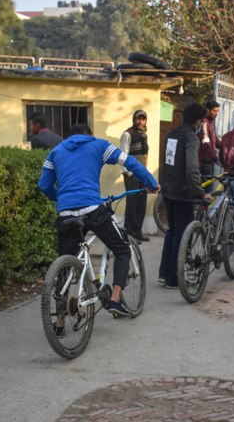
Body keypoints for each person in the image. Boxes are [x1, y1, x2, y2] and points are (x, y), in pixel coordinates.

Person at [38, 120, 159, 319]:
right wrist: (151, 183)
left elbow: (44, 185)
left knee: (65, 265)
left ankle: (58, 322)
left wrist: (62, 199)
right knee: (122, 249)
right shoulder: (98, 145)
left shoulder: (56, 151)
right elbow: (129, 161)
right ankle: (115, 300)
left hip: (66, 213)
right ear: (89, 134)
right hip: (92, 210)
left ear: (69, 136)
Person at [158, 103, 211, 289]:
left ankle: (164, 274)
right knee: (181, 235)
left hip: (168, 190)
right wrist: (200, 193)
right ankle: (174, 278)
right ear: (197, 122)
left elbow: (167, 162)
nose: (201, 125)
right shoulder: (191, 138)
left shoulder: (171, 134)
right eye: (201, 122)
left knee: (172, 232)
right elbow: (191, 169)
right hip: (183, 193)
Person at [120, 110, 150, 243]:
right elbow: (123, 156)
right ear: (134, 119)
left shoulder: (144, 135)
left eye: (143, 119)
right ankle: (130, 235)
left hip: (142, 175)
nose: (140, 122)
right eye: (138, 119)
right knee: (132, 204)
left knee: (141, 204)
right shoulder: (127, 134)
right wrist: (129, 173)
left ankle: (137, 232)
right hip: (131, 175)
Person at [198, 99, 221, 187]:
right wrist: (215, 158)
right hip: (204, 163)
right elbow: (206, 143)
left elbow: (216, 140)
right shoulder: (204, 123)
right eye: (214, 111)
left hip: (209, 162)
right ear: (208, 110)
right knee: (206, 189)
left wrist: (226, 147)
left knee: (209, 188)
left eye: (217, 111)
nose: (216, 113)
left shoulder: (210, 124)